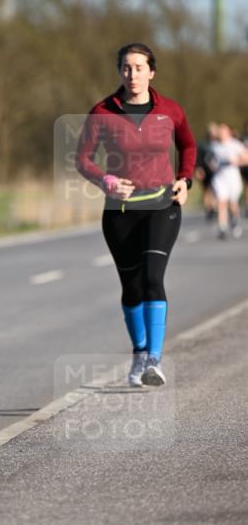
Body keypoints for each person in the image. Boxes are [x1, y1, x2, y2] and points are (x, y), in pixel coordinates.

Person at [76, 43, 196, 387]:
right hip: (120, 211)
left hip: (162, 205)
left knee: (152, 278)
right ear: (120, 72)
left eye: (139, 68)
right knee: (131, 286)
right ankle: (140, 351)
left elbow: (188, 144)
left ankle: (154, 361)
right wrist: (106, 180)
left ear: (151, 72)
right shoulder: (102, 112)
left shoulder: (170, 110)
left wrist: (185, 179)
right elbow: (83, 159)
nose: (133, 75)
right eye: (126, 68)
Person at [206, 123, 248, 239]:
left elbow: (246, 159)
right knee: (221, 201)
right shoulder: (214, 146)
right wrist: (211, 165)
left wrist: (237, 161)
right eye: (220, 131)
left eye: (223, 131)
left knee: (232, 203)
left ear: (229, 132)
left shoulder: (235, 144)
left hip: (233, 178)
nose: (221, 133)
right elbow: (210, 160)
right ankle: (222, 227)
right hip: (220, 178)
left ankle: (235, 219)